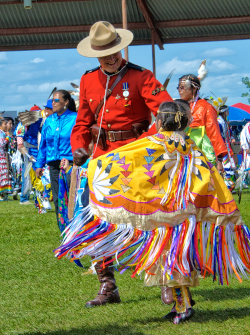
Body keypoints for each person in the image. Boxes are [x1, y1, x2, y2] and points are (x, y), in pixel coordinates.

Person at [55, 100, 250, 324]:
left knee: (170, 260)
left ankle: (183, 306)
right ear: (186, 125)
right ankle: (182, 303)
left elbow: (120, 160)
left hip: (162, 216)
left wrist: (84, 166)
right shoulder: (191, 147)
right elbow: (207, 175)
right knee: (177, 259)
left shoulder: (151, 144)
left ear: (158, 122)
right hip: (184, 215)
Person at [70, 20, 173, 307]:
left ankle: (164, 278)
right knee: (99, 222)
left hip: (138, 159)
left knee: (151, 219)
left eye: (114, 50)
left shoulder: (142, 77)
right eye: (104, 52)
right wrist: (79, 148)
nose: (111, 56)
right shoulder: (88, 80)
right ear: (96, 54)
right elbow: (82, 123)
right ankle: (108, 286)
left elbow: (166, 112)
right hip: (103, 162)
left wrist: (150, 142)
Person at [36, 90, 77, 224]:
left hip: (71, 164)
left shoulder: (75, 118)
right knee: (59, 198)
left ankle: (76, 228)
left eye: (56, 100)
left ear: (66, 102)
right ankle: (63, 229)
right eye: (52, 100)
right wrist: (39, 165)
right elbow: (43, 144)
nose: (52, 103)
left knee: (72, 197)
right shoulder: (49, 120)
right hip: (54, 165)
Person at [177, 74, 227, 171]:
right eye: (178, 87)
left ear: (194, 89)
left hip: (201, 155)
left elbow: (214, 133)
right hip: (180, 153)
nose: (179, 90)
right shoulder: (178, 107)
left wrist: (219, 160)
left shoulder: (205, 107)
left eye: (182, 87)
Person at [17, 105, 43, 205]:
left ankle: (42, 197)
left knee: (41, 172)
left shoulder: (42, 121)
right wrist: (22, 147)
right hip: (28, 151)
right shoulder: (23, 124)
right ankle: (24, 198)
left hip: (40, 150)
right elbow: (19, 138)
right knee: (27, 173)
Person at [217, 105, 236, 190]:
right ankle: (227, 187)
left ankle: (229, 186)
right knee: (226, 166)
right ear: (224, 112)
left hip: (227, 147)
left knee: (230, 166)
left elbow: (229, 132)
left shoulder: (225, 121)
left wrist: (232, 138)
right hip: (222, 147)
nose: (228, 113)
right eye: (227, 111)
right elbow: (218, 136)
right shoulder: (219, 122)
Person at [0, 119, 12, 200]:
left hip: (3, 156)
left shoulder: (2, 133)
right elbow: (1, 144)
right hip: (1, 158)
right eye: (5, 124)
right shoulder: (1, 133)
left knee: (4, 175)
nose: (6, 125)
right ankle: (2, 195)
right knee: (2, 175)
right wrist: (7, 137)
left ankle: (4, 195)